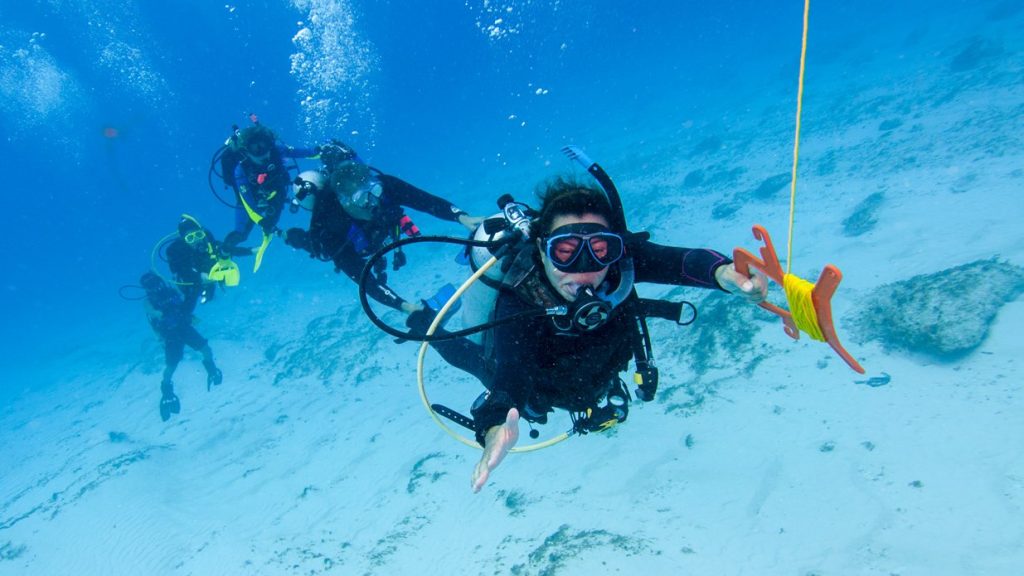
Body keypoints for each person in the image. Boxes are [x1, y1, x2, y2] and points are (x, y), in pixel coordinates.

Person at [406, 177, 767, 492]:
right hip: (540, 385)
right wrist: (494, 427)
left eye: (599, 250)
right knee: (472, 360)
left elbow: (681, 262)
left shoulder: (621, 266)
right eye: (565, 251)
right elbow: (510, 380)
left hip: (599, 370)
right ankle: (423, 322)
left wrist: (723, 274)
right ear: (542, 250)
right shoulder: (520, 302)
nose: (583, 270)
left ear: (615, 248)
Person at [283, 141, 484, 313]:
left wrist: (461, 217)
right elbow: (365, 280)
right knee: (307, 242)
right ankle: (284, 235)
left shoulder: (386, 185)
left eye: (374, 190)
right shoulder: (330, 231)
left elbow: (425, 201)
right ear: (345, 203)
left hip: (373, 236)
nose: (373, 201)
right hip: (346, 242)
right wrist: (405, 306)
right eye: (362, 199)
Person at [140, 272, 223, 422]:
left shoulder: (171, 290)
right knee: (172, 366)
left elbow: (184, 303)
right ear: (147, 289)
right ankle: (167, 392)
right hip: (170, 335)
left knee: (205, 349)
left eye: (156, 283)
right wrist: (160, 336)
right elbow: (155, 314)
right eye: (151, 285)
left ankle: (211, 370)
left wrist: (189, 309)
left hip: (184, 327)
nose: (156, 287)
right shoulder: (149, 302)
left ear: (160, 281)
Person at [223, 123, 320, 247]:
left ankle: (271, 232)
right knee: (240, 235)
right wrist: (260, 221)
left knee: (270, 225)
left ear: (270, 144)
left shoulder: (277, 151)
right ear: (246, 150)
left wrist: (321, 150)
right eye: (255, 148)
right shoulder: (241, 170)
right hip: (251, 199)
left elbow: (306, 152)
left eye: (264, 145)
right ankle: (223, 252)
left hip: (277, 193)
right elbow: (248, 202)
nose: (262, 152)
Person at [167, 214, 252, 312]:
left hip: (209, 278)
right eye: (190, 238)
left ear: (202, 233)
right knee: (190, 300)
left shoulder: (209, 244)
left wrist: (250, 251)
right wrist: (199, 276)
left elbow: (227, 249)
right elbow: (182, 272)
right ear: (184, 241)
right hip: (190, 282)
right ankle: (179, 313)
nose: (196, 240)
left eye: (198, 235)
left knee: (209, 296)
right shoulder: (180, 253)